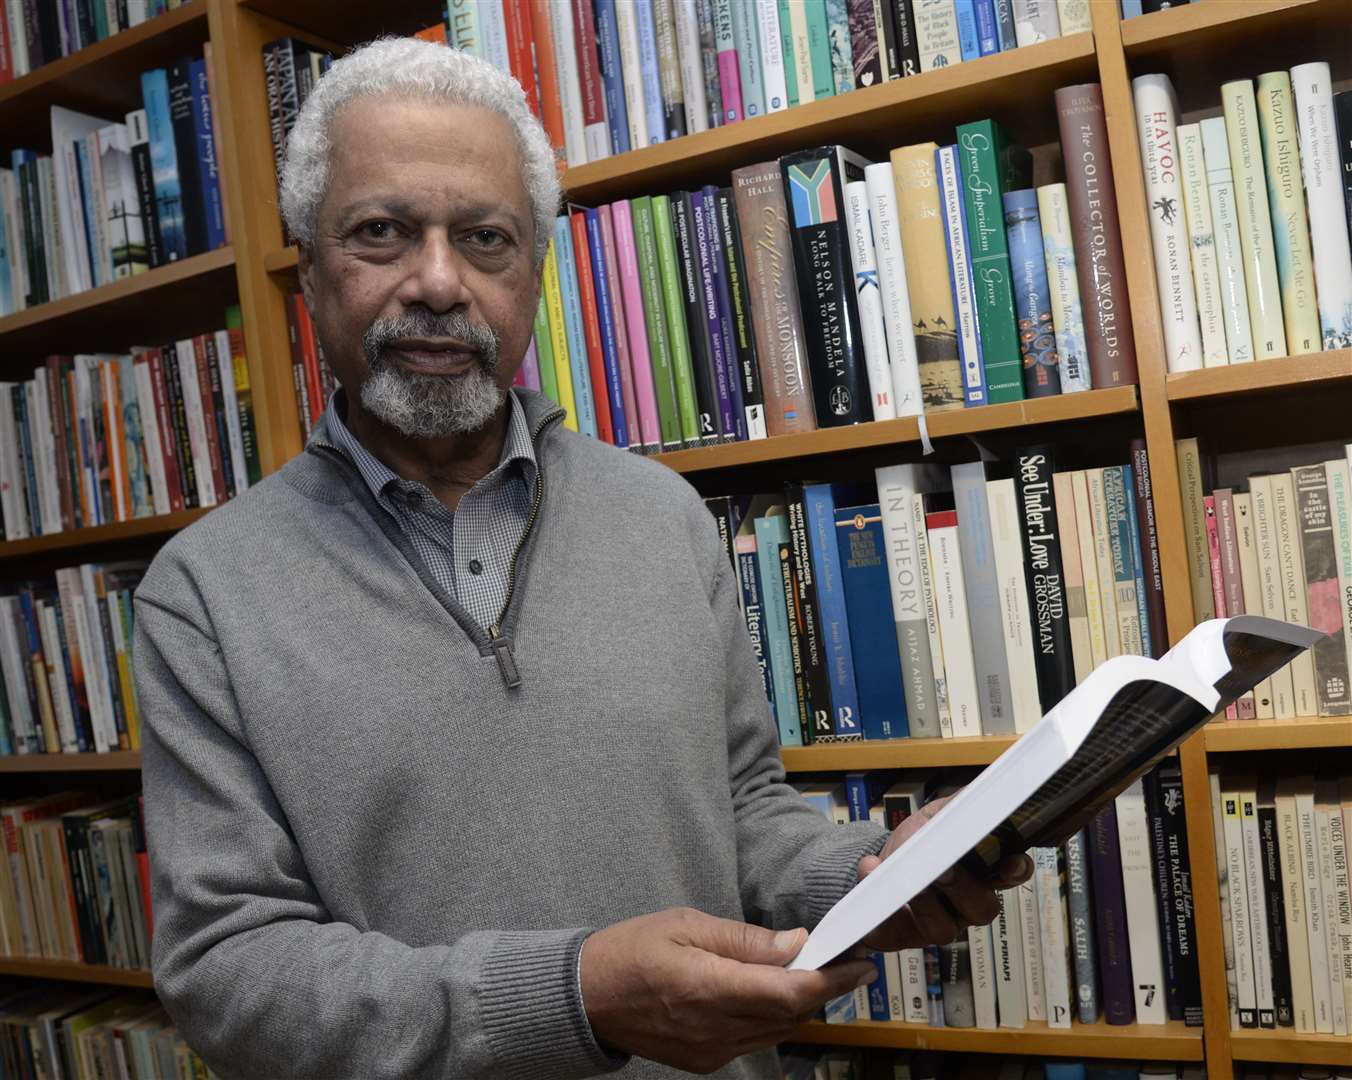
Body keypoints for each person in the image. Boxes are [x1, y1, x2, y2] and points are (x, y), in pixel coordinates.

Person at [134, 37, 1030, 1080]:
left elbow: (738, 811)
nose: (437, 281)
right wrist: (572, 998)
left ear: (535, 274)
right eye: (380, 232)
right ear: (308, 270)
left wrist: (874, 872)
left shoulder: (663, 516)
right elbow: (228, 976)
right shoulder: (203, 595)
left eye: (484, 238)